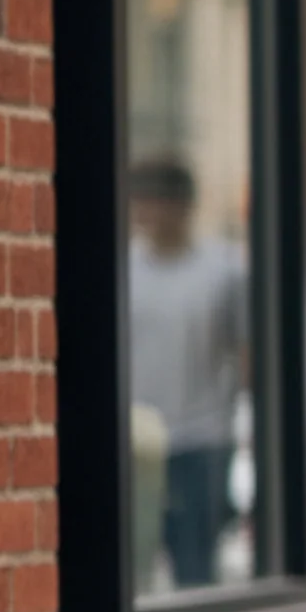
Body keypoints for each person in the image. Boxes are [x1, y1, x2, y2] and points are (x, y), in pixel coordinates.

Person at [126, 157, 249, 589]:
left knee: (196, 568)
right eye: (140, 201)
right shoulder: (124, 270)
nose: (146, 212)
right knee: (131, 571)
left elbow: (246, 350)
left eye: (155, 201)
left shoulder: (224, 270)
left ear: (181, 206)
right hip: (137, 439)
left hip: (202, 436)